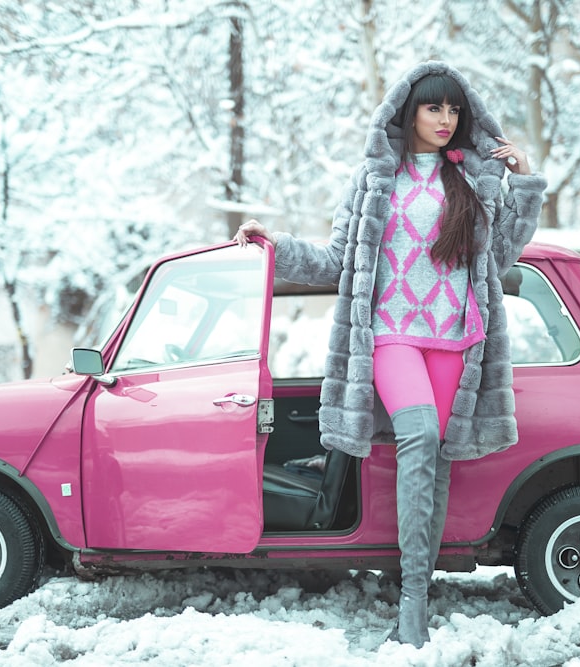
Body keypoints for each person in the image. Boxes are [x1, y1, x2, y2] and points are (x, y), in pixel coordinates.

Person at [234, 61, 546, 647]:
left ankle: (419, 594)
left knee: (440, 457)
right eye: (434, 108)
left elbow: (499, 259)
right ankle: (408, 601)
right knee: (420, 435)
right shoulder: (375, 178)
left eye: (454, 110)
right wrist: (277, 244)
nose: (446, 120)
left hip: (457, 337)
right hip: (391, 333)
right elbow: (337, 260)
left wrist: (523, 184)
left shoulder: (475, 179)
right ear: (408, 112)